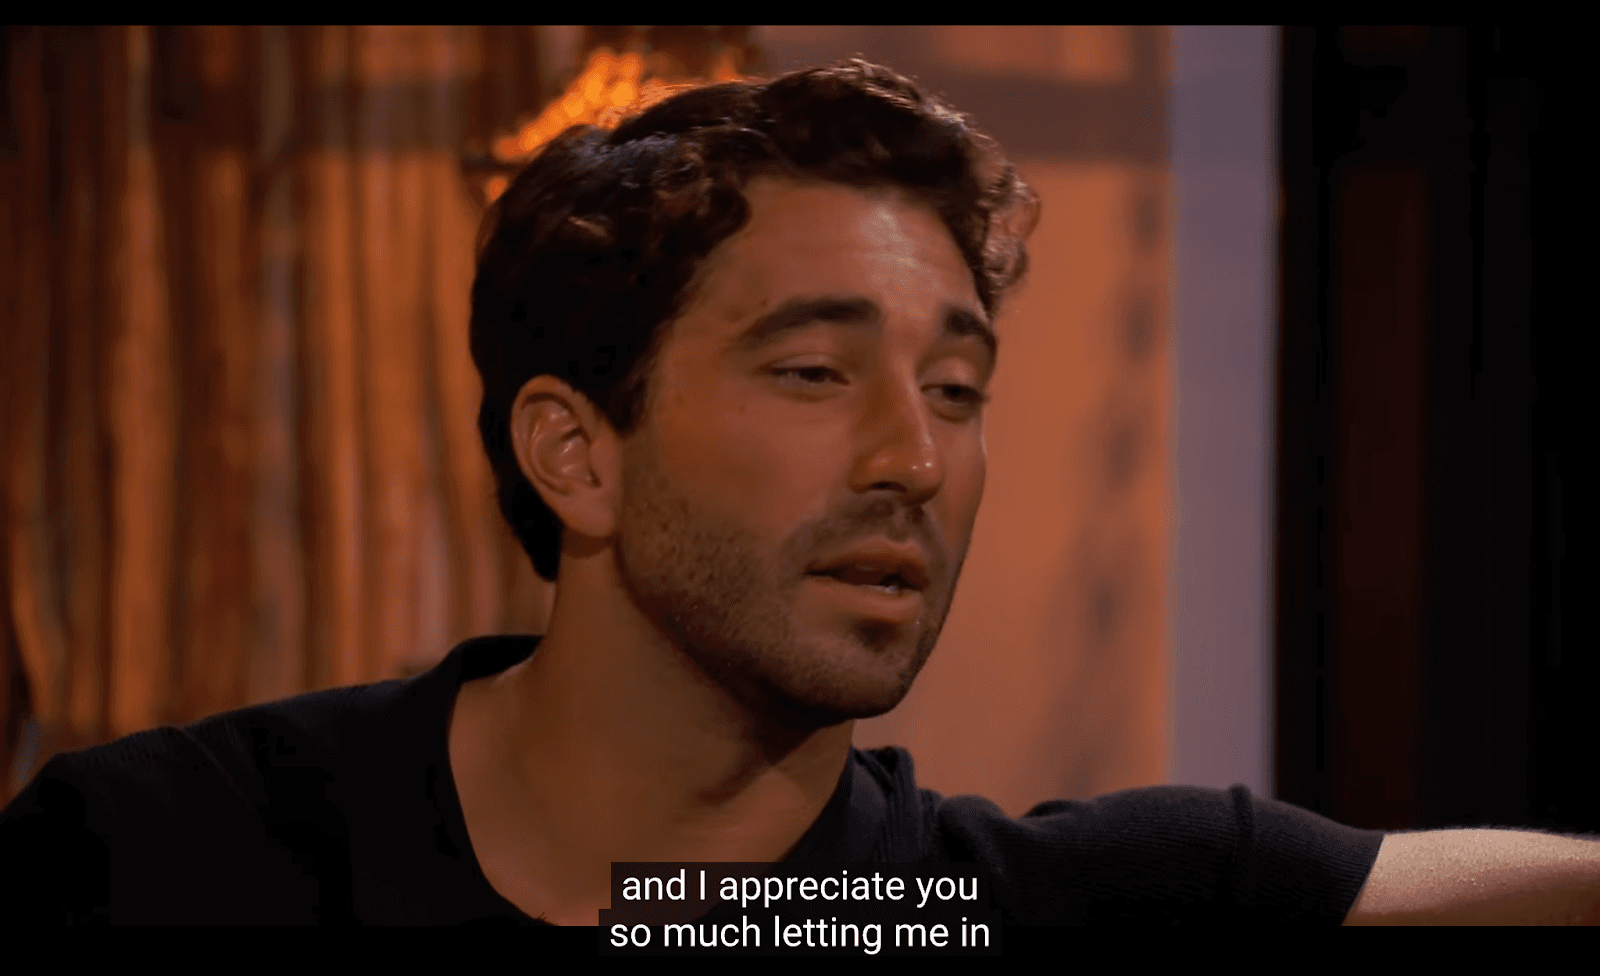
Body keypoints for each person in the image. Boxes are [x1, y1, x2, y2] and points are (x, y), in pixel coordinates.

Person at [1, 59, 1595, 930]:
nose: (916, 461)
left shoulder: (999, 911)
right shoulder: (168, 858)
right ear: (578, 453)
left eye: (956, 391)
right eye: (817, 372)